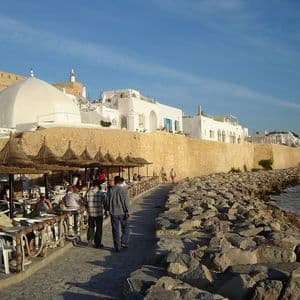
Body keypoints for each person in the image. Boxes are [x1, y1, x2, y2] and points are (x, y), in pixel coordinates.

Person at [107, 176, 130, 252]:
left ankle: (117, 246)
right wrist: (128, 211)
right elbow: (125, 201)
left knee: (115, 230)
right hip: (122, 212)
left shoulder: (110, 190)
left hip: (113, 212)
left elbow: (107, 201)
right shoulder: (123, 190)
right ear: (120, 182)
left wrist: (108, 209)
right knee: (125, 228)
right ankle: (124, 242)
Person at [84, 180, 107, 248]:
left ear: (93, 185)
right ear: (98, 185)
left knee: (91, 227)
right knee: (99, 228)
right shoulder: (102, 193)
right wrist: (106, 210)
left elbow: (85, 202)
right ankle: (98, 243)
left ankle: (90, 240)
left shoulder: (88, 193)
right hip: (99, 213)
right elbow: (105, 203)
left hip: (91, 213)